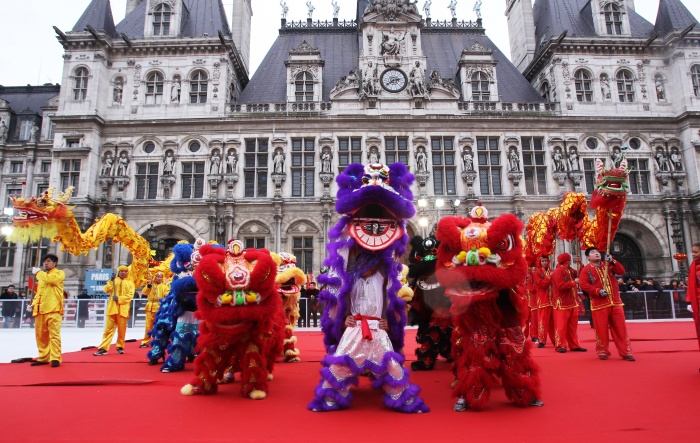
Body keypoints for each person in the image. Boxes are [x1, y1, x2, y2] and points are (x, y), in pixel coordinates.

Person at [578, 247, 635, 361]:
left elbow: (621, 271)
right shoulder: (586, 269)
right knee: (601, 330)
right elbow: (583, 284)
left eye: (597, 252)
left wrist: (613, 260)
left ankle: (626, 352)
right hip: (599, 304)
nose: (596, 254)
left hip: (615, 302)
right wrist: (597, 291)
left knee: (621, 329)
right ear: (588, 257)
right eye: (593, 253)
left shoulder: (608, 265)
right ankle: (603, 351)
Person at [30, 255, 65, 367]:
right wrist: (34, 304)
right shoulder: (42, 277)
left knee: (54, 335)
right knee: (41, 336)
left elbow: (52, 280)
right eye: (44, 261)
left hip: (53, 309)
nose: (45, 263)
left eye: (48, 261)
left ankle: (55, 357)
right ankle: (44, 357)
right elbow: (39, 293)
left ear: (55, 263)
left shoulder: (59, 273)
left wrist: (38, 273)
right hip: (41, 309)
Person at [94, 266, 135, 356]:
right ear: (118, 272)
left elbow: (130, 296)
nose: (123, 273)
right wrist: (110, 281)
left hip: (123, 310)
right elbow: (106, 290)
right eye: (121, 271)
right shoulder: (113, 281)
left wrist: (119, 298)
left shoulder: (130, 283)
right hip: (112, 309)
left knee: (121, 331)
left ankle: (120, 347)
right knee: (108, 330)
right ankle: (103, 348)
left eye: (125, 271)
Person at [551, 253, 587, 353]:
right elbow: (560, 286)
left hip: (572, 302)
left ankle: (574, 345)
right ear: (566, 261)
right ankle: (560, 345)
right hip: (562, 303)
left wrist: (580, 264)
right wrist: (574, 282)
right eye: (569, 261)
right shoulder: (558, 271)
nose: (570, 262)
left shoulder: (570, 270)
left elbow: (580, 275)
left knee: (572, 326)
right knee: (561, 326)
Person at [140, 272, 169, 348]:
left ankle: (158, 340)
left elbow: (167, 296)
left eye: (160, 277)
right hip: (150, 306)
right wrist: (149, 285)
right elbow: (144, 292)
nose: (159, 278)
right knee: (148, 326)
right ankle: (145, 341)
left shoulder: (165, 287)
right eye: (157, 276)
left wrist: (162, 301)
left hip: (159, 307)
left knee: (159, 325)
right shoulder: (150, 285)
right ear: (155, 277)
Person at [534, 256, 555, 348]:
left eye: (546, 261)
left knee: (553, 323)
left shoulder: (552, 271)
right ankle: (542, 341)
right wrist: (550, 277)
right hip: (543, 301)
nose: (545, 262)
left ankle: (555, 340)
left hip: (553, 301)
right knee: (542, 322)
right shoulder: (537, 273)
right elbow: (542, 285)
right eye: (543, 261)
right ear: (540, 262)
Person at [685, 243, 700, 352]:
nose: (693, 254)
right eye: (693, 252)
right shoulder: (693, 266)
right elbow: (690, 286)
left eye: (696, 252)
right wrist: (689, 301)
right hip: (697, 301)